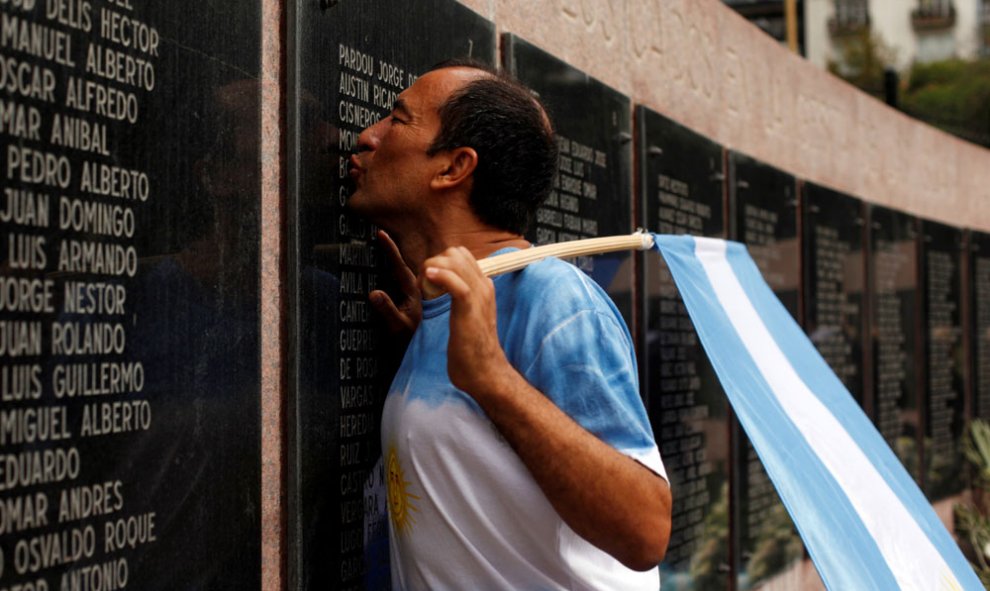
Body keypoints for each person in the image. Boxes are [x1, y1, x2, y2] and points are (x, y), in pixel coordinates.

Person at [347, 59, 672, 590]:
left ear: (453, 167)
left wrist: (491, 379)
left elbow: (645, 532)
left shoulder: (557, 300)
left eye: (397, 120)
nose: (368, 136)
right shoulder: (437, 313)